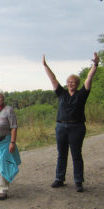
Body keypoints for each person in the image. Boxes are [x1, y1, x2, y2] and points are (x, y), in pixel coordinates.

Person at [42, 53, 100, 192]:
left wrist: (95, 65)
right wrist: (45, 66)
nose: (70, 83)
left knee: (76, 154)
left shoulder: (82, 93)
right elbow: (53, 78)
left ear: (77, 83)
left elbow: (89, 78)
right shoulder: (61, 93)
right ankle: (59, 178)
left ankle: (78, 181)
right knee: (61, 154)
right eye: (68, 82)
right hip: (61, 126)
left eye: (73, 82)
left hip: (77, 127)